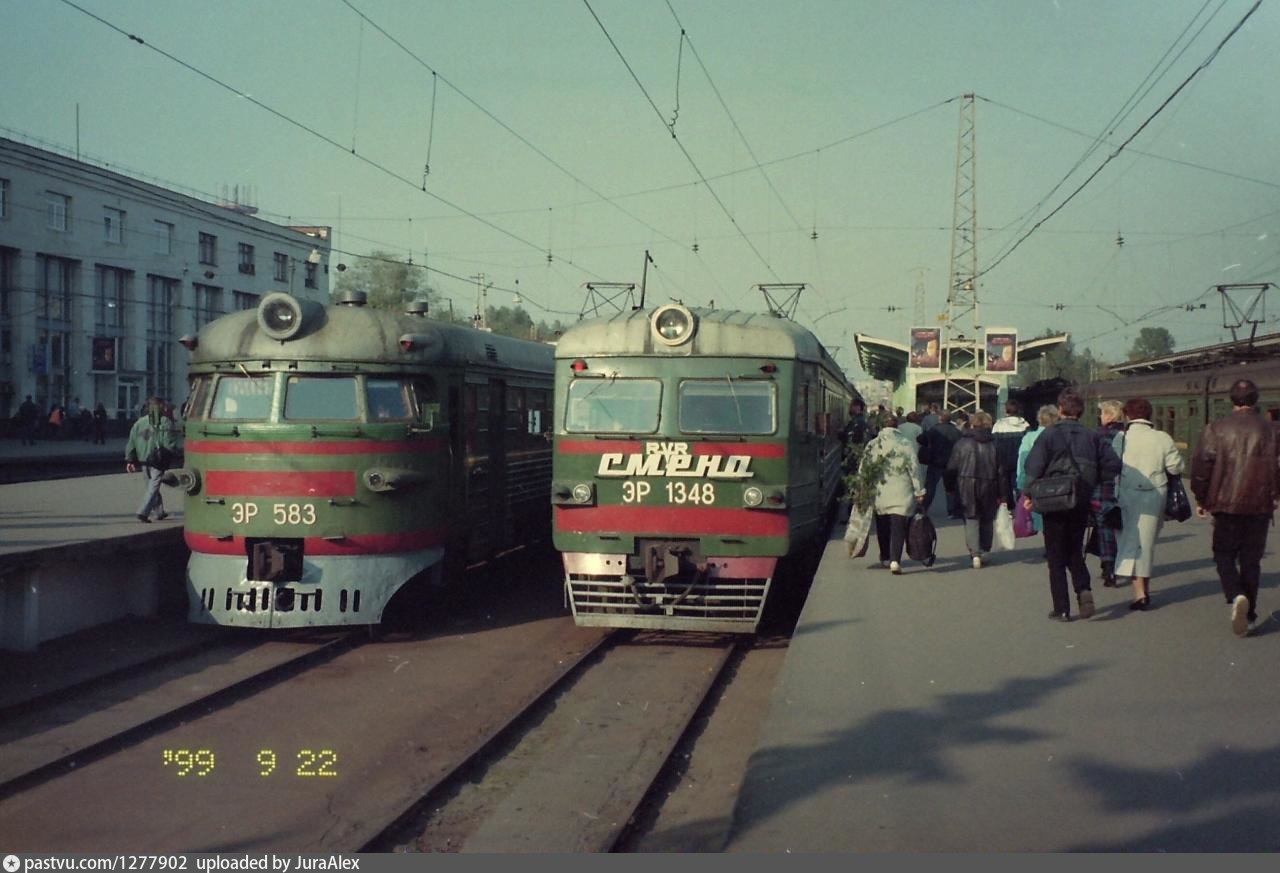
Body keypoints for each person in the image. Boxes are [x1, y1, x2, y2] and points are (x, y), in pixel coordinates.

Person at [1190, 379, 1280, 637]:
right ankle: (1250, 616)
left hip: (1226, 504)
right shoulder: (1272, 430)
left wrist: (1201, 499)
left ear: (1232, 401)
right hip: (1260, 505)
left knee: (1223, 554)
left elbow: (1201, 468)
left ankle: (1236, 594)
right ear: (1256, 400)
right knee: (1252, 562)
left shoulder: (1216, 429)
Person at [1024, 388, 1122, 622]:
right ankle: (1084, 590)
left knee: (1056, 557)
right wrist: (1094, 482)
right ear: (1082, 412)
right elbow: (1114, 465)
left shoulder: (1048, 435)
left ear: (1060, 409)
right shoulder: (1093, 436)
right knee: (1075, 551)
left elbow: (1033, 467)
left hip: (1053, 501)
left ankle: (1062, 608)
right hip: (1080, 499)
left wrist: (1028, 494)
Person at [1113, 398, 1184, 609]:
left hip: (1126, 494)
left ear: (1127, 415)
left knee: (1132, 541)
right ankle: (1143, 591)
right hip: (1155, 495)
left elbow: (1112, 464)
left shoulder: (1121, 438)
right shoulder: (1162, 438)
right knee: (1147, 542)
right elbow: (1175, 467)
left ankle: (1139, 592)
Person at [863, 415, 924, 574]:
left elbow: (864, 469)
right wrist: (919, 491)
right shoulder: (905, 443)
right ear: (897, 426)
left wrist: (863, 488)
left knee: (883, 526)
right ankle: (895, 560)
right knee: (898, 528)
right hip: (901, 493)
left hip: (880, 492)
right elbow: (914, 469)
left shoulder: (873, 444)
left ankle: (885, 557)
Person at [947, 410, 1003, 568]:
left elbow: (951, 468)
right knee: (987, 518)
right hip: (989, 484)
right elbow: (1001, 472)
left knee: (971, 518)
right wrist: (1004, 495)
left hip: (966, 485)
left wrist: (950, 487)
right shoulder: (994, 444)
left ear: (972, 424)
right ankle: (985, 550)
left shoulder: (962, 443)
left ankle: (975, 553)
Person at [1089, 400, 1126, 587]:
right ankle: (1123, 563)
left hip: (1101, 489)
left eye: (1103, 413)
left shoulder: (1097, 435)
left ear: (1110, 415)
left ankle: (1108, 567)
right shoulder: (1129, 434)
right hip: (1125, 489)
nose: (1100, 417)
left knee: (1105, 528)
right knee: (1122, 529)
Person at [125, 396, 180, 523]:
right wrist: (173, 452)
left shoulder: (139, 423)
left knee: (151, 485)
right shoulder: (165, 421)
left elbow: (131, 442)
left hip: (143, 459)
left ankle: (159, 512)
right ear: (160, 407)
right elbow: (169, 442)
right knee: (153, 487)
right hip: (157, 459)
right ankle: (143, 512)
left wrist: (129, 460)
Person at [1017, 405, 1061, 536]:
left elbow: (1023, 461)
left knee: (1041, 516)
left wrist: (1021, 483)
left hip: (1037, 483)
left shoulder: (1029, 438)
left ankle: (1049, 544)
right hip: (1058, 481)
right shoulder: (1061, 436)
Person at [918, 411, 962, 517]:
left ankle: (924, 508)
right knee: (952, 488)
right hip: (951, 463)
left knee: (930, 487)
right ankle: (953, 511)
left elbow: (920, 438)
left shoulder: (934, 430)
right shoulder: (956, 431)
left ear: (940, 418)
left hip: (935, 462)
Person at [993, 400, 1030, 508]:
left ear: (1006, 410)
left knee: (1004, 484)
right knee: (1018, 483)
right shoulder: (1024, 425)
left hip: (1002, 460)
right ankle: (1020, 505)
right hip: (1019, 459)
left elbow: (994, 444)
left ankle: (1008, 506)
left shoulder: (998, 425)